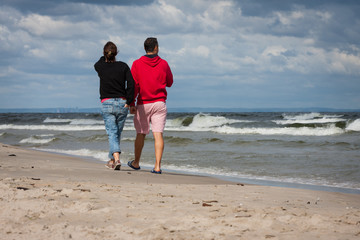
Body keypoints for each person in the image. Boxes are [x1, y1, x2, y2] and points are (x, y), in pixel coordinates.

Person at [127, 37, 173, 174]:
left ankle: (136, 162)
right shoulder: (164, 63)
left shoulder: (136, 64)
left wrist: (131, 103)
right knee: (158, 135)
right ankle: (157, 166)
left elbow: (134, 86)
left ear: (145, 48)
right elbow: (170, 82)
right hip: (159, 103)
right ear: (156, 47)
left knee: (140, 134)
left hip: (143, 104)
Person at [94, 41, 134, 170]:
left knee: (112, 133)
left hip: (107, 103)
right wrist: (129, 101)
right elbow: (131, 84)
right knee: (116, 133)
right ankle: (111, 160)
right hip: (123, 103)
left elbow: (98, 62)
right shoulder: (123, 66)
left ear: (104, 54)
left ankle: (116, 159)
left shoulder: (101, 66)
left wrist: (105, 56)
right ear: (116, 53)